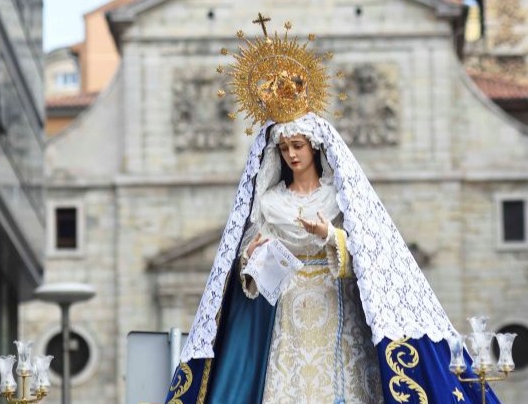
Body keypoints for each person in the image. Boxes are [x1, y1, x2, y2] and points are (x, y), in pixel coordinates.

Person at [163, 14, 501, 404]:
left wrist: (330, 236)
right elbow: (250, 284)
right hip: (288, 315)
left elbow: (371, 260)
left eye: (298, 146)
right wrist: (250, 262)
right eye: (285, 148)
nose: (291, 155)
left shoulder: (338, 198)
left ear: (315, 147)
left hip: (336, 306)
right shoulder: (270, 203)